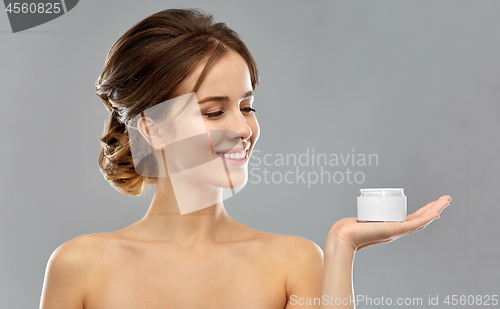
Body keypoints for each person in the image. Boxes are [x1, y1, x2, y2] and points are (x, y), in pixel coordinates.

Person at [39, 8, 451, 309]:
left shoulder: (292, 262)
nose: (243, 129)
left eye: (247, 106)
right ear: (152, 127)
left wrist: (343, 248)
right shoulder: (80, 266)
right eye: (214, 111)